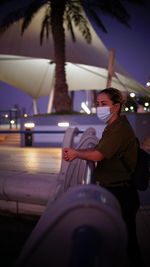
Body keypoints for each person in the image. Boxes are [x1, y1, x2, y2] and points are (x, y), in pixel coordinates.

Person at [63, 87, 143, 267]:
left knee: (128, 242)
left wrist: (77, 154)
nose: (100, 108)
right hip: (116, 189)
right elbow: (97, 149)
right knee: (122, 239)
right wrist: (78, 151)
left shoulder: (119, 129)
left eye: (104, 104)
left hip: (122, 192)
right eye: (98, 104)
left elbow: (98, 156)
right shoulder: (113, 126)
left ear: (116, 106)